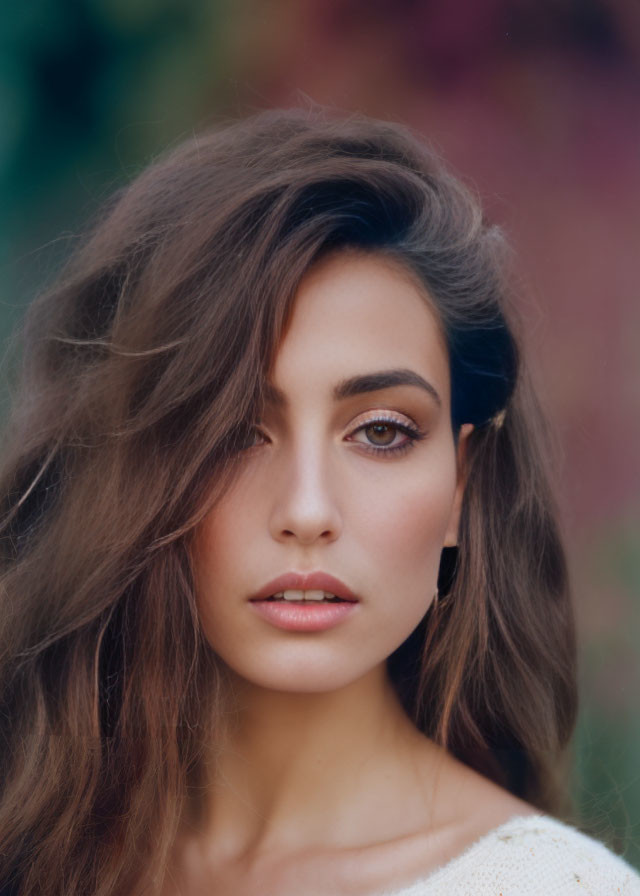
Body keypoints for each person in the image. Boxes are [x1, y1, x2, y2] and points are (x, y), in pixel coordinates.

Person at [0, 108, 638, 896]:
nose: (306, 510)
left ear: (460, 487)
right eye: (233, 432)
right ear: (134, 467)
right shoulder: (34, 849)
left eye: (379, 432)